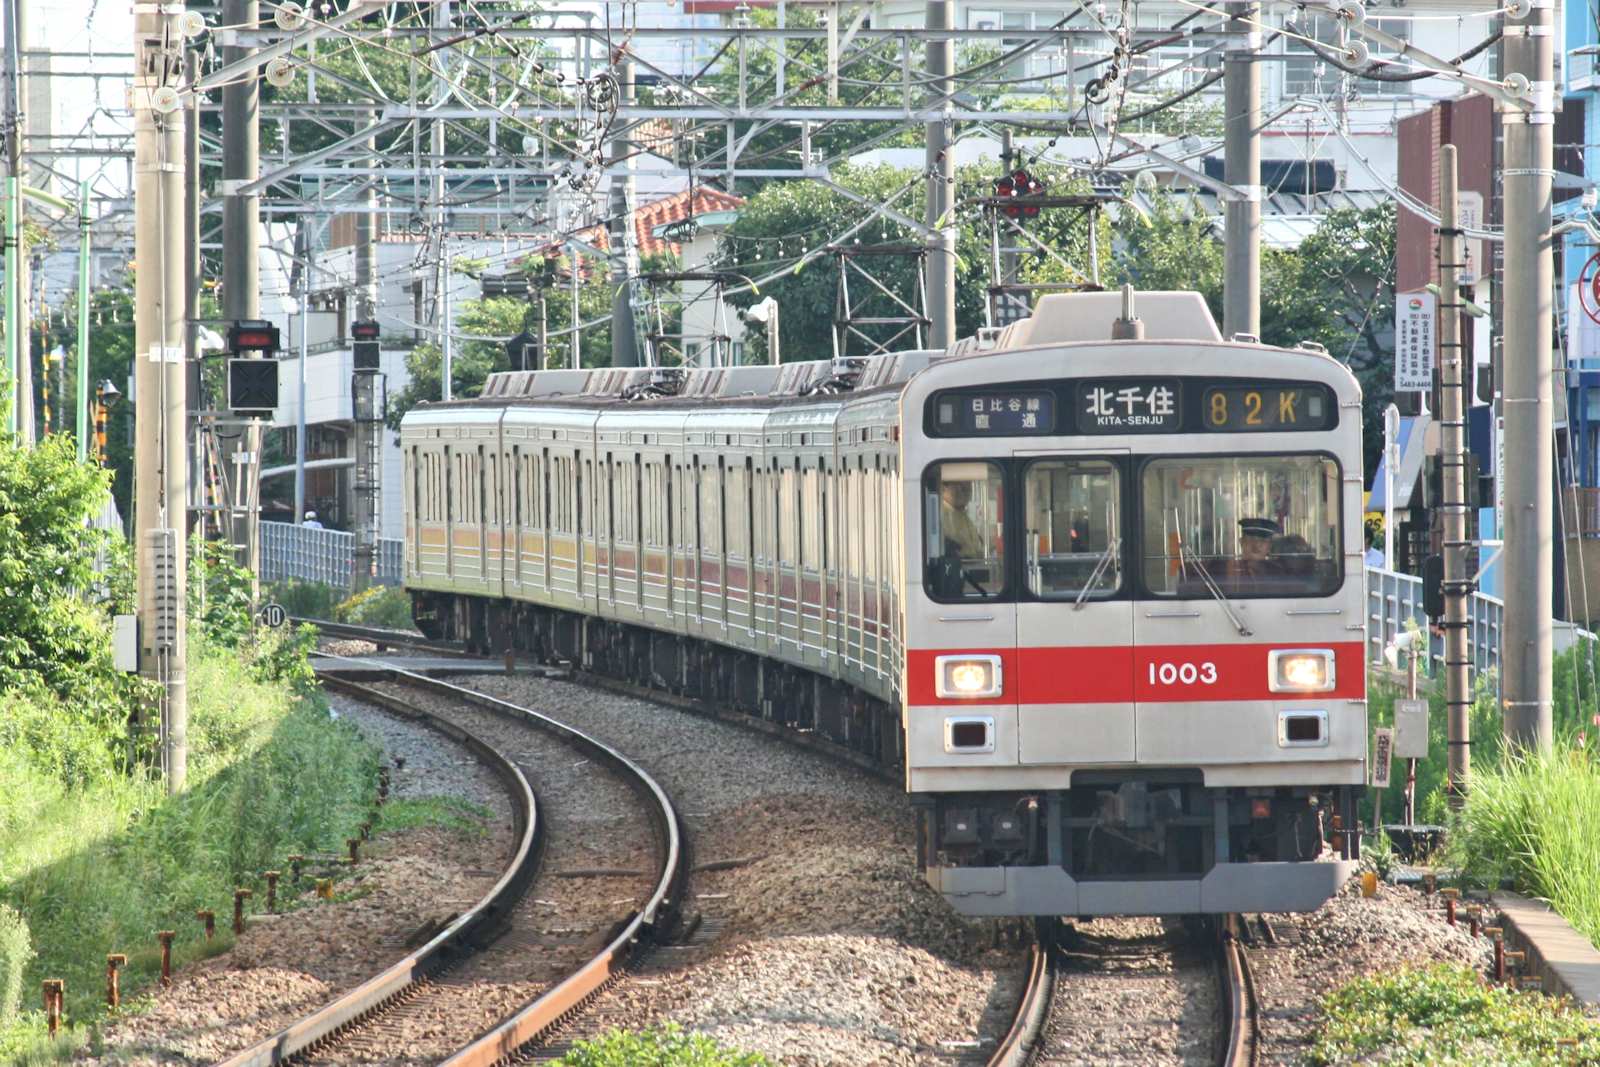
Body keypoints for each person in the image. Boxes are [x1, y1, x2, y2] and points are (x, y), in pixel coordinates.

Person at [940, 480, 984, 559]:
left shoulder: (963, 515)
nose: (966, 493)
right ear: (944, 488)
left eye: (968, 489)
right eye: (961, 487)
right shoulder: (940, 514)